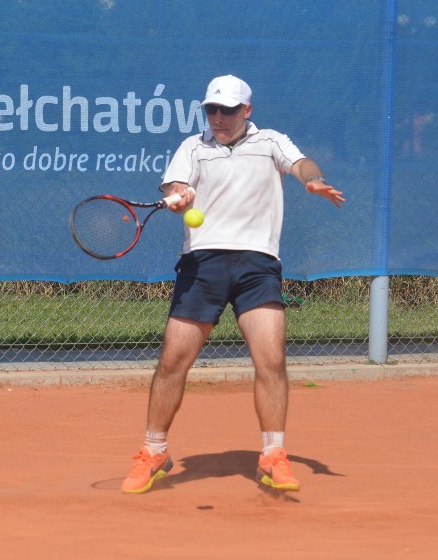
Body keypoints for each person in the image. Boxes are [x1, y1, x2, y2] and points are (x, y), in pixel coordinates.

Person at [121, 75, 345, 494]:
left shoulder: (271, 142)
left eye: (227, 110)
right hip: (202, 264)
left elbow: (302, 163)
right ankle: (155, 451)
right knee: (173, 362)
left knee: (271, 360)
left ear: (247, 111)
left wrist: (310, 181)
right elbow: (176, 185)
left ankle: (274, 454)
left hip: (257, 265)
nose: (218, 118)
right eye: (211, 110)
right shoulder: (193, 147)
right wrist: (179, 195)